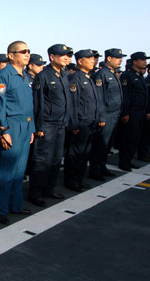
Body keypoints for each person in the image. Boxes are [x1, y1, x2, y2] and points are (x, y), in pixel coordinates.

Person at [0, 41, 35, 225]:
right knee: (5, 170)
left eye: (28, 51)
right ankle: (0, 209)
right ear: (10, 55)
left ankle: (15, 205)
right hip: (12, 127)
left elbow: (29, 105)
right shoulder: (3, 76)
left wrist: (32, 129)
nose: (27, 54)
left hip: (26, 126)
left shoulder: (25, 76)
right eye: (22, 51)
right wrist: (3, 130)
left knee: (19, 170)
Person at [28, 44, 72, 207]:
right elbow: (38, 104)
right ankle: (36, 192)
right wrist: (38, 127)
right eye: (63, 55)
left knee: (55, 159)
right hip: (47, 124)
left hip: (60, 124)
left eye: (68, 55)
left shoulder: (64, 75)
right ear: (52, 57)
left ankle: (49, 189)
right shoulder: (44, 76)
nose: (67, 58)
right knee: (42, 160)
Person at [64, 49, 103, 192]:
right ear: (80, 61)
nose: (93, 61)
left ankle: (79, 179)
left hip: (90, 122)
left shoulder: (88, 78)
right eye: (89, 58)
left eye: (93, 59)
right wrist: (74, 124)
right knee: (75, 154)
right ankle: (71, 180)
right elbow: (73, 104)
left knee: (84, 154)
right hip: (80, 124)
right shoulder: (76, 79)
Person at [89, 49, 125, 180]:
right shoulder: (102, 74)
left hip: (115, 114)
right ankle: (95, 170)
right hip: (107, 115)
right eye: (117, 57)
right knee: (100, 144)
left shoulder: (112, 73)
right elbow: (99, 98)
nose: (120, 60)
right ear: (109, 58)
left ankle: (102, 166)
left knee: (107, 144)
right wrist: (101, 117)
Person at [118, 52, 150, 171]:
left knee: (135, 138)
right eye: (142, 60)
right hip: (132, 112)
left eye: (145, 60)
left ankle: (129, 160)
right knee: (128, 138)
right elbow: (125, 96)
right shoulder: (128, 76)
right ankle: (124, 162)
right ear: (135, 61)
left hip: (140, 111)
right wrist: (125, 112)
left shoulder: (140, 76)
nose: (145, 62)